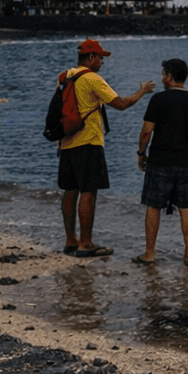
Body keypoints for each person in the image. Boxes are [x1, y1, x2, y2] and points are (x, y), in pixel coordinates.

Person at [59, 39, 154, 258]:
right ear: (91, 58)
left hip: (66, 141)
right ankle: (86, 243)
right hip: (88, 140)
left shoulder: (64, 76)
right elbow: (120, 104)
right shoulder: (92, 78)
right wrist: (141, 92)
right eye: (100, 57)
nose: (102, 61)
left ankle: (70, 240)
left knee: (70, 189)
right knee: (88, 190)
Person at [133, 58, 188, 265]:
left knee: (153, 206)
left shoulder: (158, 100)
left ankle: (149, 253)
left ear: (169, 76)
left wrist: (141, 153)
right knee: (187, 208)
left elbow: (146, 131)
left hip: (160, 162)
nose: (162, 77)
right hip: (186, 162)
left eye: (163, 73)